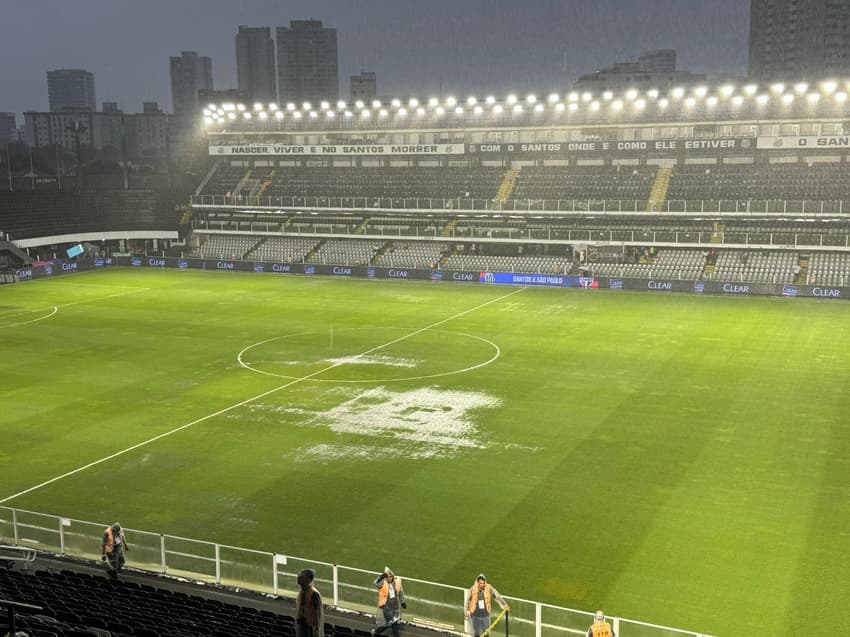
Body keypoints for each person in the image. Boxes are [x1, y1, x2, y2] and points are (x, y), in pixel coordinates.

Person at [373, 567, 406, 637]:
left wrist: (403, 602)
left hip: (395, 607)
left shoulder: (397, 582)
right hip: (386, 607)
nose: (389, 578)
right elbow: (375, 583)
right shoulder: (382, 583)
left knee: (389, 623)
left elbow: (401, 592)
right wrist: (381, 576)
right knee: (394, 624)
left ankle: (376, 632)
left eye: (391, 577)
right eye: (388, 577)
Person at [295, 569, 324, 637]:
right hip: (303, 622)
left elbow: (317, 612)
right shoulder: (303, 592)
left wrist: (316, 627)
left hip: (310, 625)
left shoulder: (314, 594)